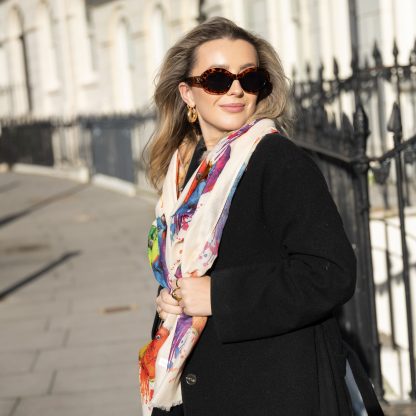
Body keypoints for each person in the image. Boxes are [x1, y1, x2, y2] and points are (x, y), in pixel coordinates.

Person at [139, 16, 382, 416]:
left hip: (274, 388)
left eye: (249, 78)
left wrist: (218, 295)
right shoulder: (190, 170)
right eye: (217, 78)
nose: (236, 89)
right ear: (187, 93)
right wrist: (173, 297)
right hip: (206, 383)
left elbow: (331, 271)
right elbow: (191, 267)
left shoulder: (277, 161)